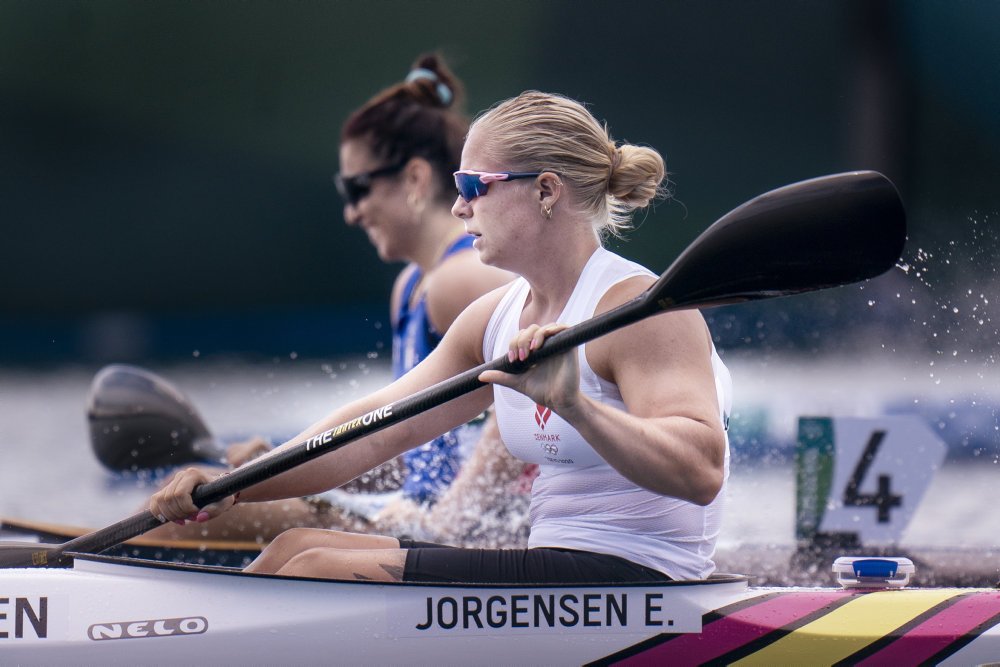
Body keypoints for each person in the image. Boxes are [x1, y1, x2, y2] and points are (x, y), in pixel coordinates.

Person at [152, 90, 732, 584]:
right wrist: (235, 487)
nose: (457, 206)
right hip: (552, 560)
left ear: (546, 191)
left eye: (474, 184)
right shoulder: (495, 317)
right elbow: (380, 428)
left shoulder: (640, 311)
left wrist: (576, 406)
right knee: (293, 548)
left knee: (316, 570)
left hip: (647, 578)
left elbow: (701, 473)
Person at [147, 53, 524, 546]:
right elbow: (415, 452)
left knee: (211, 529)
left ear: (413, 180)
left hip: (470, 533)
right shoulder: (412, 287)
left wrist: (450, 520)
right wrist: (280, 463)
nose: (350, 214)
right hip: (422, 520)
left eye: (357, 189)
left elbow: (534, 393)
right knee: (196, 513)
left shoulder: (460, 278)